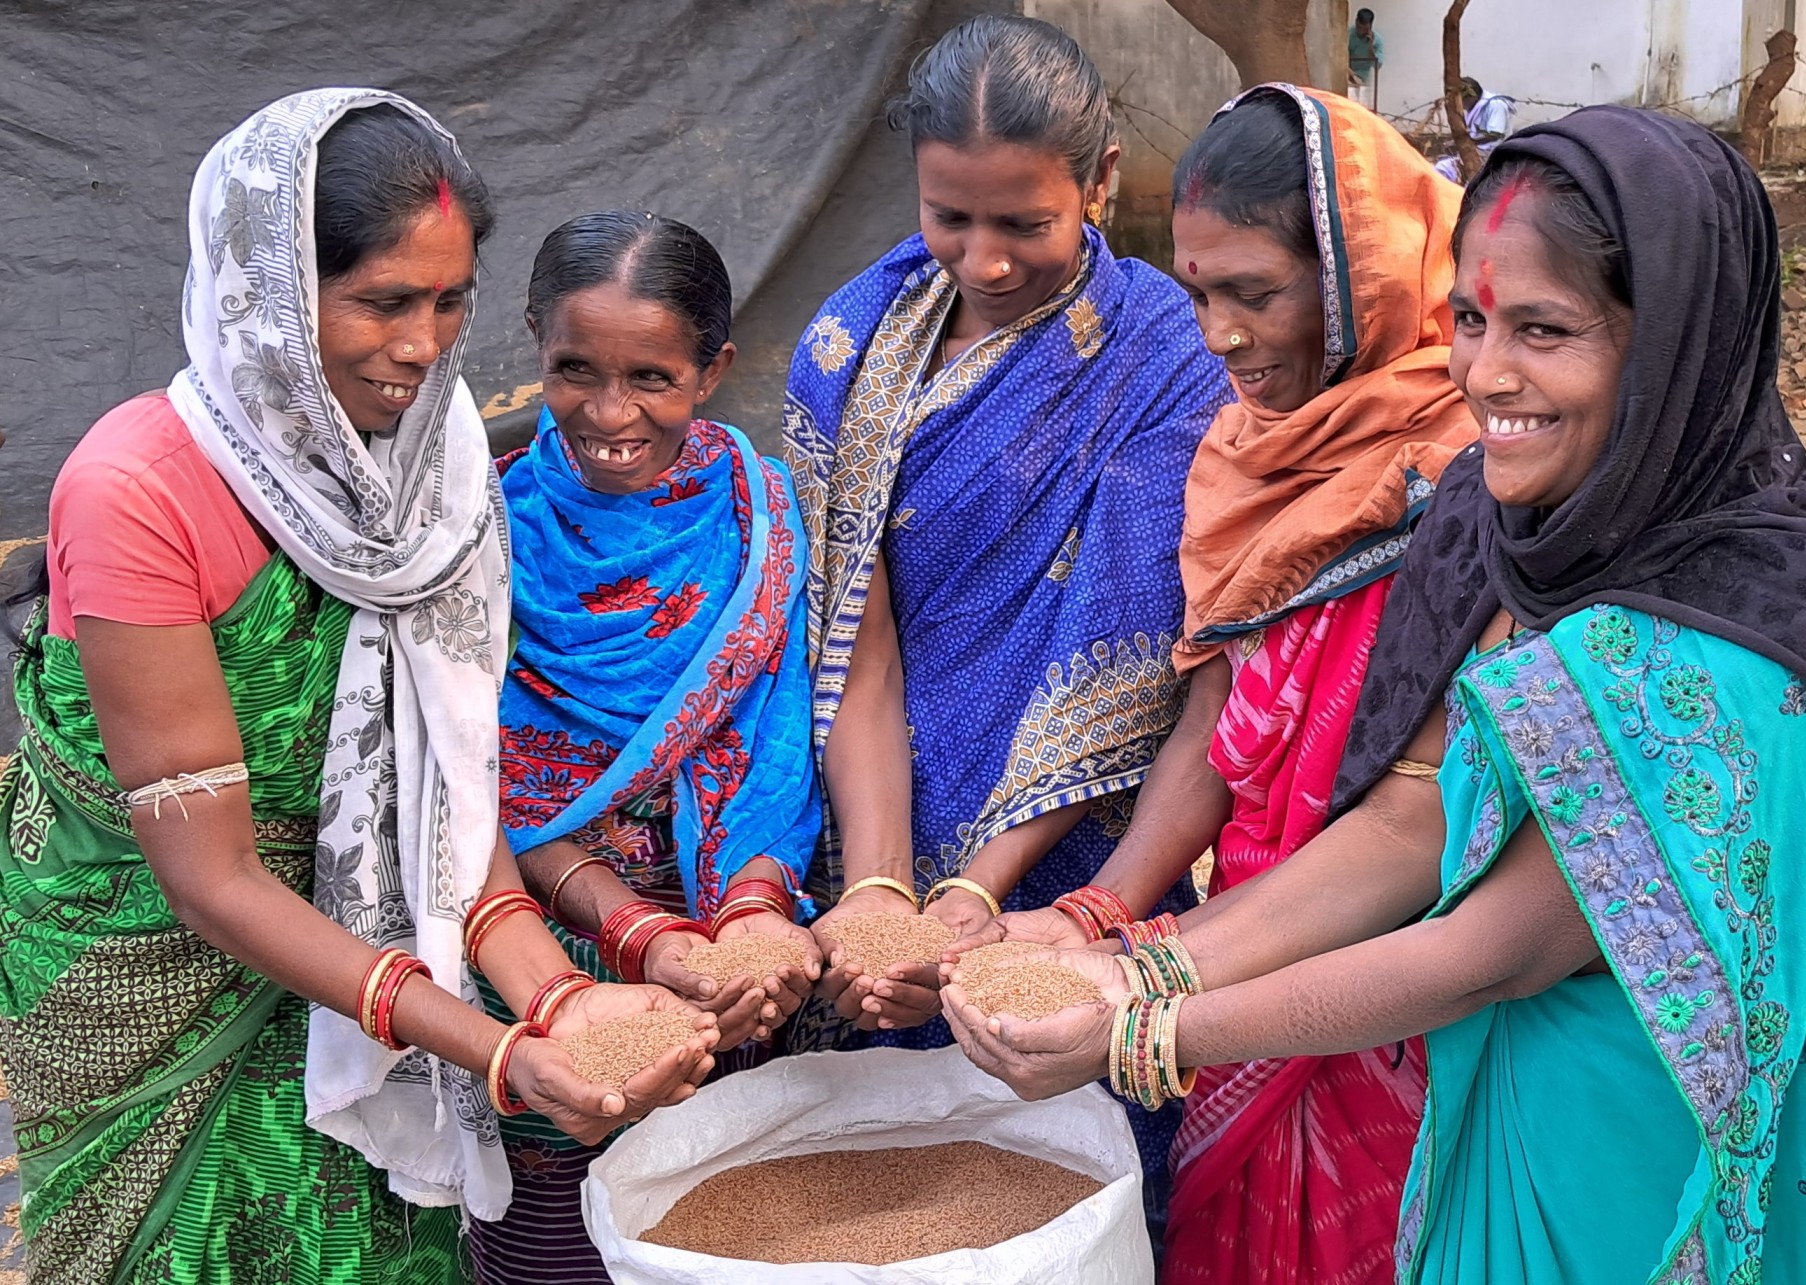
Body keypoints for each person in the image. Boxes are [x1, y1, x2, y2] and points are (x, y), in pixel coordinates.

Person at [943, 106, 1806, 1284]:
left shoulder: (1740, 635)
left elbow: (1503, 945)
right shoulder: (1505, 530)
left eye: (1545, 329)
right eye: (1471, 320)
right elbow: (1407, 817)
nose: (1486, 376)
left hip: (1653, 1168)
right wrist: (1141, 960)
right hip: (1507, 1115)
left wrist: (1141, 1031)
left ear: (1677, 342)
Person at [0, 92, 711, 1283]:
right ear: (268, 293)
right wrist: (492, 1049)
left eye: (450, 301)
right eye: (382, 301)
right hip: (155, 973)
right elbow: (212, 877)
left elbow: (446, 797)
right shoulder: (136, 489)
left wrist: (550, 1004)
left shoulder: (434, 480)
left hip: (379, 975)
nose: (424, 346)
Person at [969, 84, 1475, 1285]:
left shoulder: (1475, 462)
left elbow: (1422, 819)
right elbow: (1220, 714)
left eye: (1256, 293)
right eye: (1198, 293)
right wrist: (1101, 908)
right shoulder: (1250, 451)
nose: (1219, 334)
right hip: (1243, 933)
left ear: (1368, 280)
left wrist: (1148, 983)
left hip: (1399, 974)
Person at [782, 11, 1230, 1234]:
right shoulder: (850, 343)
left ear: (1099, 183)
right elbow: (850, 649)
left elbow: (1123, 653)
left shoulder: (1163, 356)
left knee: (1069, 1174)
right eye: (949, 217)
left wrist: (980, 895)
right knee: (874, 1191)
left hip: (1077, 848)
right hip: (872, 799)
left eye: (1023, 223)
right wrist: (878, 886)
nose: (981, 260)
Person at [473, 211, 821, 1283]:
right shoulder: (482, 529)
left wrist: (757, 920)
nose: (609, 412)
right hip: (543, 955)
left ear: (713, 369)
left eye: (652, 378)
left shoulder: (760, 516)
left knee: (726, 1226)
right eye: (574, 370)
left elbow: (777, 737)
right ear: (534, 341)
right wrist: (632, 937)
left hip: (731, 961)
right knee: (557, 1241)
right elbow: (483, 792)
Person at [1434, 78, 1516, 183]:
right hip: (1478, 152)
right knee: (1442, 168)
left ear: (1471, 96)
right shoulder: (1473, 108)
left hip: (1492, 156)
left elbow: (1494, 135)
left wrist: (1466, 143)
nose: (1461, 104)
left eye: (1462, 100)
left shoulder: (1495, 105)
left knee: (1449, 169)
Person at [1349, 9, 1384, 105]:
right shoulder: (1348, 35)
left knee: (1365, 107)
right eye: (1359, 28)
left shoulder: (1377, 40)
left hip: (1365, 80)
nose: (1361, 32)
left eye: (1364, 30)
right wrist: (1352, 75)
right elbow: (1340, 59)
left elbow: (1377, 66)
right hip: (1348, 77)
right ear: (1356, 22)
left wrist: (1370, 47)